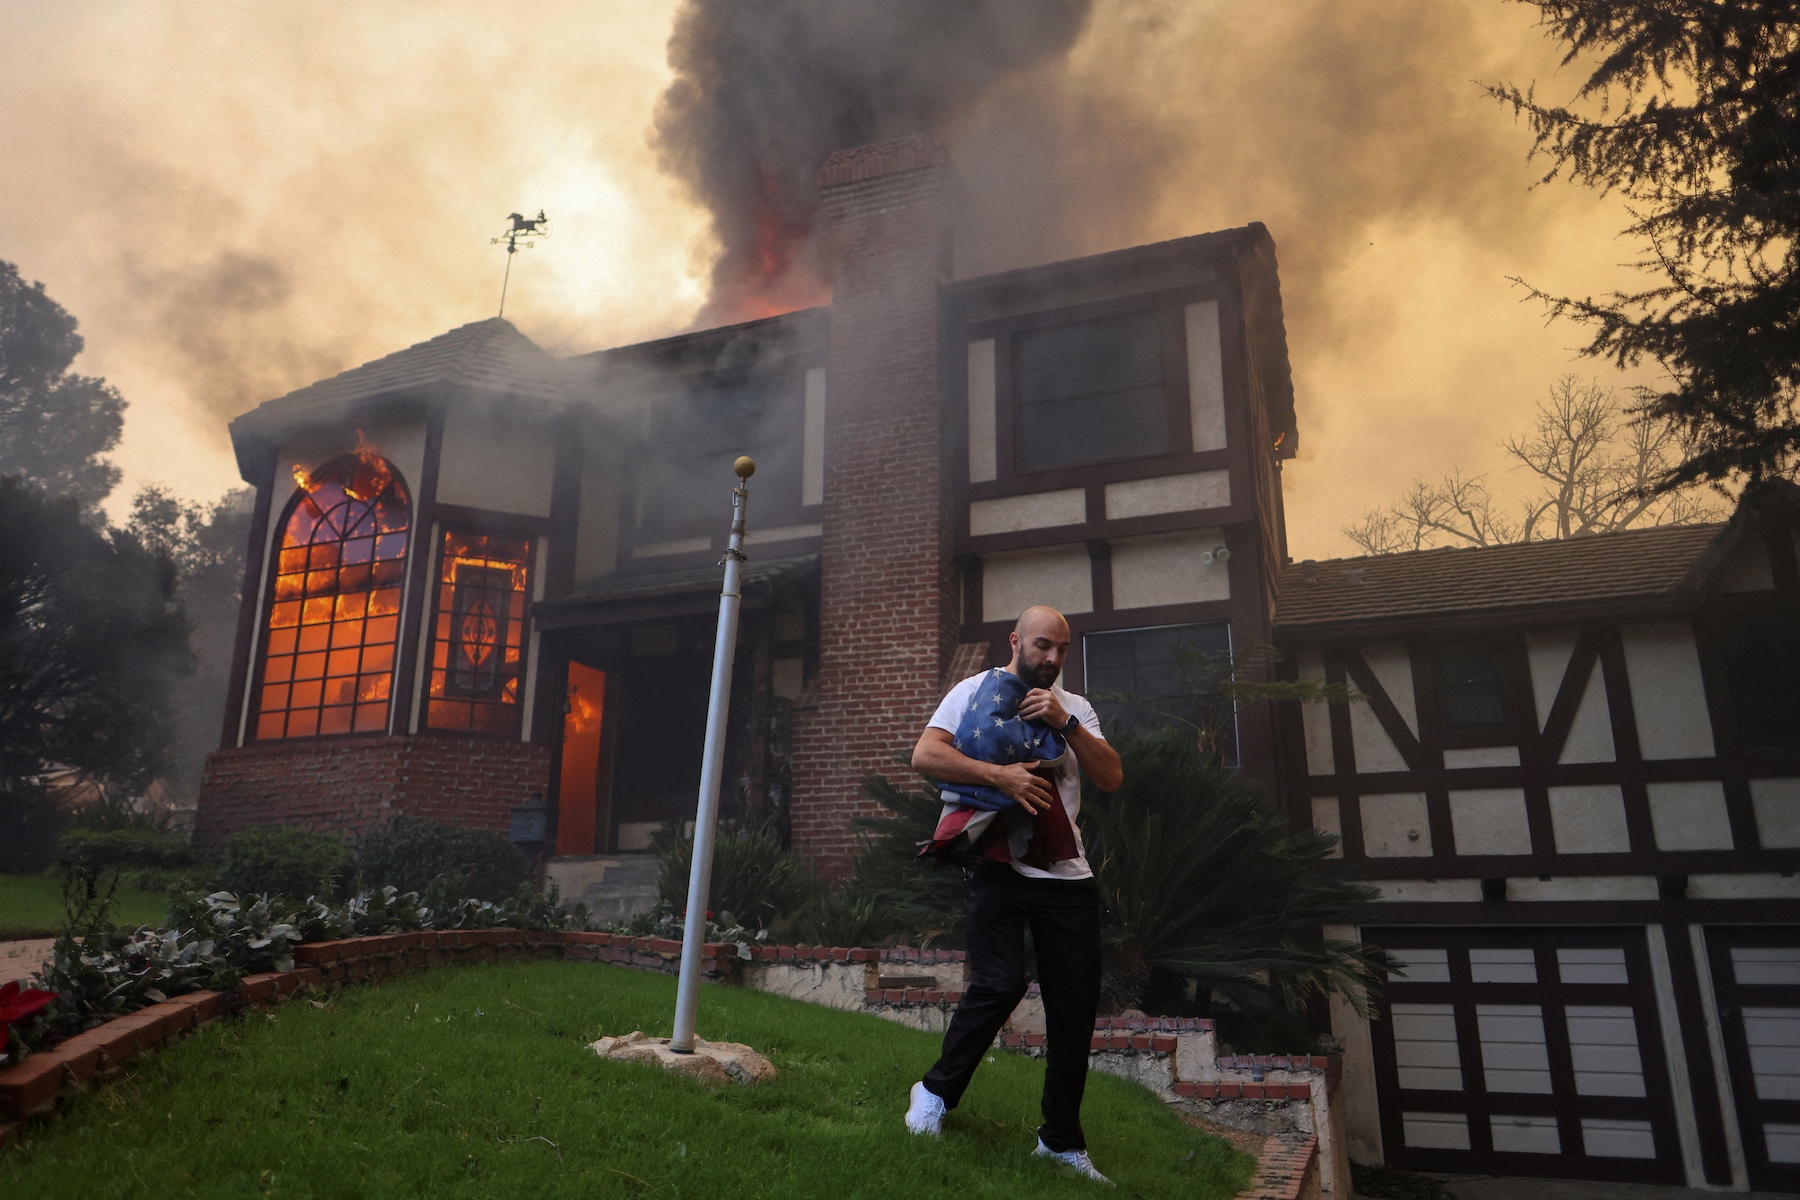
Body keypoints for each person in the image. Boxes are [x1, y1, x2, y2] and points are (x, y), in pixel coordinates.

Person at [903, 605, 1123, 1186]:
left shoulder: (1076, 708)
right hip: (997, 864)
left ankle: (1060, 1144)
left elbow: (1112, 777)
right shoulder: (970, 690)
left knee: (1073, 1010)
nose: (1051, 658)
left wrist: (1067, 724)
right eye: (1042, 646)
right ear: (1016, 641)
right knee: (998, 984)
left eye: (1061, 650)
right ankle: (932, 1094)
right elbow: (926, 754)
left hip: (1068, 878)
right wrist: (999, 777)